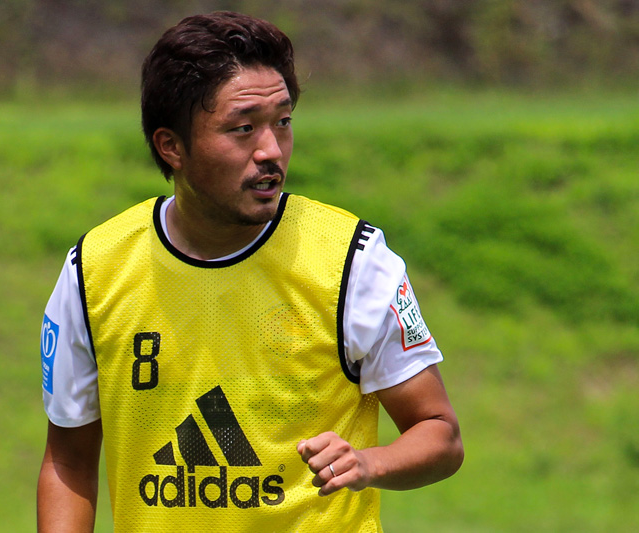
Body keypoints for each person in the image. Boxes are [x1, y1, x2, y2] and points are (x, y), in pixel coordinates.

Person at [37, 11, 463, 533]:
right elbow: (68, 460)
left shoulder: (353, 261)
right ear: (171, 146)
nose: (271, 151)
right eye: (243, 129)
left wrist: (368, 463)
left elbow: (439, 433)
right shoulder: (93, 270)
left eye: (282, 122)